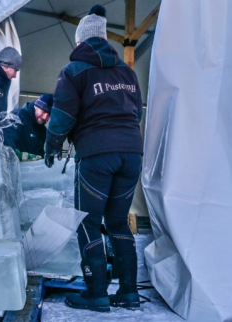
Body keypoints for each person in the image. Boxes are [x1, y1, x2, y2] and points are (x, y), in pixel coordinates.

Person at [44, 4, 143, 312]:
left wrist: (51, 146)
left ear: (80, 41)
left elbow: (62, 115)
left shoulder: (74, 70)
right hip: (132, 154)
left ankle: (96, 293)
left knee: (88, 222)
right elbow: (137, 111)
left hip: (97, 155)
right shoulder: (127, 71)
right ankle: (129, 292)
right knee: (118, 222)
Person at [3, 94, 53, 161]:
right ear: (36, 106)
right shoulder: (18, 117)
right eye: (43, 111)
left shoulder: (42, 130)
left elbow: (39, 153)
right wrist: (20, 155)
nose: (45, 117)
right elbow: (6, 144)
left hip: (31, 169)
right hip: (15, 167)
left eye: (49, 114)